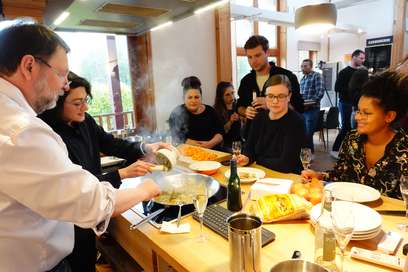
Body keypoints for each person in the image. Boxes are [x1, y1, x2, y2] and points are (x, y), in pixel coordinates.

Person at [0, 21, 166, 271]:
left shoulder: (18, 119)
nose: (64, 84)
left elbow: (112, 144)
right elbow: (94, 203)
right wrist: (152, 187)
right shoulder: (22, 130)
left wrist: (146, 148)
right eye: (61, 74)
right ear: (29, 65)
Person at [38, 73, 155, 271]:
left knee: (88, 260)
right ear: (57, 103)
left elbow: (111, 143)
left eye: (85, 100)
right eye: (77, 103)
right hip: (67, 223)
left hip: (90, 213)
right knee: (78, 262)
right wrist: (122, 174)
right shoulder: (49, 136)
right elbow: (77, 188)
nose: (85, 107)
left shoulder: (85, 121)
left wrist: (145, 148)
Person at [302, 70, 408, 199]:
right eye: (358, 111)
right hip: (351, 212)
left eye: (366, 113)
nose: (358, 117)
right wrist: (319, 176)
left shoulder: (404, 149)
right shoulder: (353, 139)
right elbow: (340, 174)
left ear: (389, 116)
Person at [236, 35, 304, 140]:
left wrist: (271, 103)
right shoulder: (246, 80)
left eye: (257, 55)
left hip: (281, 135)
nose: (253, 61)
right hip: (253, 136)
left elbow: (298, 108)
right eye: (249, 57)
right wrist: (245, 111)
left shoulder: (287, 77)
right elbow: (239, 105)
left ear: (267, 53)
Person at [236, 75, 306, 174]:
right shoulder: (259, 118)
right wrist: (246, 158)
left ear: (289, 97)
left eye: (281, 96)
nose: (275, 101)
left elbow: (286, 165)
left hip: (287, 176)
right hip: (260, 172)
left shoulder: (296, 121)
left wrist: (257, 159)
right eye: (270, 96)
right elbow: (249, 147)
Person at [169, 76, 224, 149]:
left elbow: (220, 133)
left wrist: (210, 143)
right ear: (183, 98)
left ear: (201, 98)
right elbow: (175, 135)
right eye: (190, 97)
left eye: (196, 97)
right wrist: (192, 144)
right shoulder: (177, 113)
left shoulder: (211, 111)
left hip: (212, 150)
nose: (193, 101)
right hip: (187, 152)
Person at [332, 49, 366, 153]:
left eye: (364, 58)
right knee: (346, 127)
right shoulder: (344, 72)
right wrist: (352, 90)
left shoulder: (363, 72)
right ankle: (335, 149)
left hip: (359, 104)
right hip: (346, 103)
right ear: (354, 57)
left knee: (357, 129)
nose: (363, 60)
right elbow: (337, 88)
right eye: (361, 58)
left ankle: (352, 152)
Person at [300, 59, 325, 153]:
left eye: (305, 66)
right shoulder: (303, 79)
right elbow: (301, 95)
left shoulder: (317, 76)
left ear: (311, 66)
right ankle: (308, 153)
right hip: (303, 109)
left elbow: (320, 93)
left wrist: (309, 103)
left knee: (308, 133)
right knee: (303, 133)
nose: (303, 68)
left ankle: (309, 154)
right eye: (302, 66)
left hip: (312, 109)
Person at [213, 81, 241, 152]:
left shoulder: (238, 107)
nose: (231, 97)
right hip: (225, 145)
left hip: (239, 142)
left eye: (232, 93)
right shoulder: (216, 111)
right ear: (221, 97)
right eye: (227, 95)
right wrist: (230, 121)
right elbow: (221, 133)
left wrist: (242, 118)